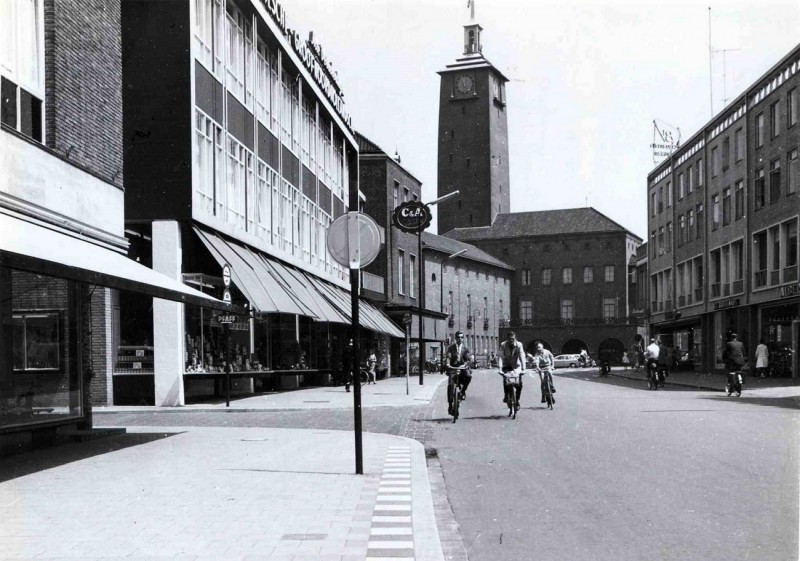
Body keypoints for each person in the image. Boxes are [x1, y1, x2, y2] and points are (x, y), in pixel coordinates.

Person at [445, 331, 472, 414]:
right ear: (455, 338)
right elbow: (448, 357)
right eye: (458, 337)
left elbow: (468, 359)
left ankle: (463, 391)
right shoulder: (451, 347)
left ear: (463, 339)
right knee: (450, 385)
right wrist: (448, 363)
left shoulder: (465, 348)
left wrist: (465, 364)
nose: (460, 339)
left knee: (468, 376)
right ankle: (450, 404)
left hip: (462, 368)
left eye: (461, 337)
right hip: (453, 367)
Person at [498, 331, 525, 407]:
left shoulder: (519, 345)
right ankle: (506, 395)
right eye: (509, 339)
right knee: (506, 379)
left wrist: (523, 369)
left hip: (517, 366)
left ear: (515, 338)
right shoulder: (503, 345)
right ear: (507, 339)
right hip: (507, 365)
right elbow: (500, 357)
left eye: (513, 339)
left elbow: (522, 356)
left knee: (519, 384)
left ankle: (517, 400)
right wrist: (500, 369)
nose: (511, 341)